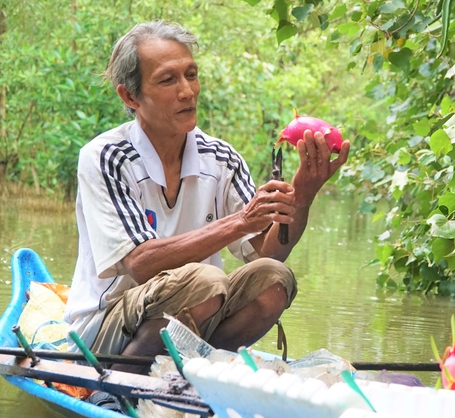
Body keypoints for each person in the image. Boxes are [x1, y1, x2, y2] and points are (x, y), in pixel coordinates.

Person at [63, 21, 350, 377]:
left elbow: (265, 252)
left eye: (191, 74)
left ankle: (196, 377)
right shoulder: (106, 157)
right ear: (130, 97)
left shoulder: (221, 158)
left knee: (275, 277)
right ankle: (116, 385)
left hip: (198, 310)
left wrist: (303, 196)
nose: (188, 91)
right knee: (205, 281)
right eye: (168, 80)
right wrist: (242, 221)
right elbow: (140, 264)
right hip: (107, 325)